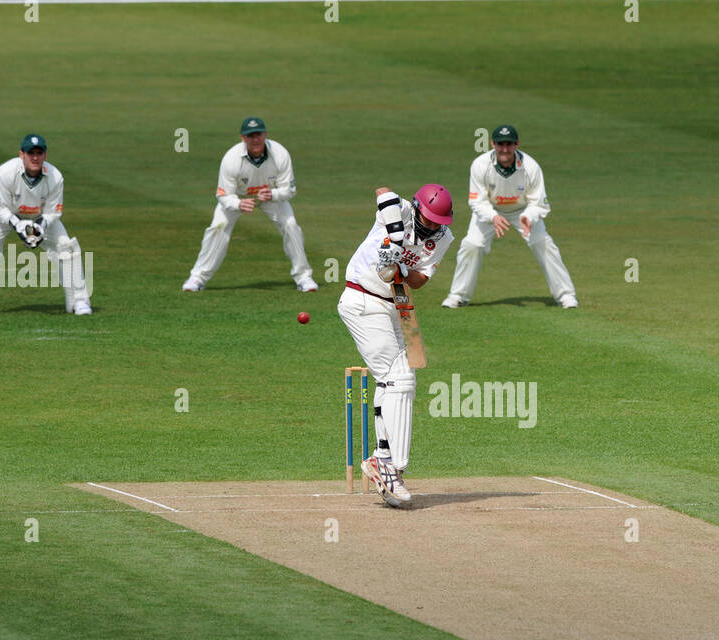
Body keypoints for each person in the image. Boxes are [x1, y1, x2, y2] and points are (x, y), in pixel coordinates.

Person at [338, 184, 455, 508]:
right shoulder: (400, 210)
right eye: (429, 219)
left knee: (391, 382)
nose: (433, 226)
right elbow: (382, 191)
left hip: (392, 306)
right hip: (361, 299)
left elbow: (421, 280)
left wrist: (401, 268)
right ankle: (389, 466)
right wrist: (396, 240)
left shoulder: (443, 238)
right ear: (417, 209)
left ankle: (383, 461)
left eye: (439, 221)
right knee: (400, 378)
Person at [441, 125, 577, 309]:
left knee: (544, 243)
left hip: (523, 211)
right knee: (472, 245)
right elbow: (477, 201)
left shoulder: (531, 167)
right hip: (490, 210)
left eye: (509, 144)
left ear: (517, 144)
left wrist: (528, 216)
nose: (504, 149)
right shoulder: (480, 165)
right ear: (492, 144)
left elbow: (540, 203)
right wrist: (493, 217)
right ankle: (458, 296)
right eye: (500, 144)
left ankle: (566, 296)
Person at [0, 134, 91, 315]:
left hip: (39, 214)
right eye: (30, 153)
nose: (35, 157)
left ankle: (79, 301)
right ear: (22, 154)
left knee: (65, 246)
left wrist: (40, 226)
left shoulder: (55, 177)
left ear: (45, 155)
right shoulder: (5, 172)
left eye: (39, 153)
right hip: (5, 212)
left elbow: (53, 212)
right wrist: (18, 225)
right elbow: (1, 208)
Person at [182, 117, 318, 293]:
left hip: (270, 196)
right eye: (250, 136)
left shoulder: (280, 154)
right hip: (238, 197)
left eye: (258, 135)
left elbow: (290, 189)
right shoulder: (231, 158)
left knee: (291, 225)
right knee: (218, 227)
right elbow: (222, 195)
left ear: (265, 134)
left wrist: (273, 194)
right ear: (242, 138)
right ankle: (198, 278)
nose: (255, 139)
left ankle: (304, 278)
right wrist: (238, 204)